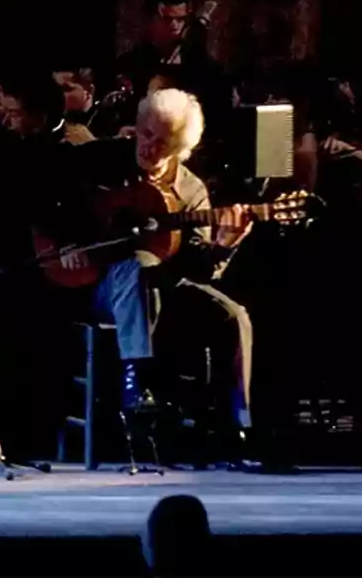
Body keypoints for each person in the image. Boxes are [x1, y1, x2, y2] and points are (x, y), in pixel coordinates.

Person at [60, 89, 255, 464]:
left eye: (161, 141)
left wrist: (224, 245)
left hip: (161, 288)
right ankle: (136, 383)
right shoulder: (97, 159)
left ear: (180, 149)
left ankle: (238, 425)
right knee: (138, 265)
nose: (148, 146)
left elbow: (200, 269)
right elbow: (48, 199)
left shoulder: (191, 190)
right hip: (95, 284)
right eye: (145, 133)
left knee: (233, 315)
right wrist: (67, 241)